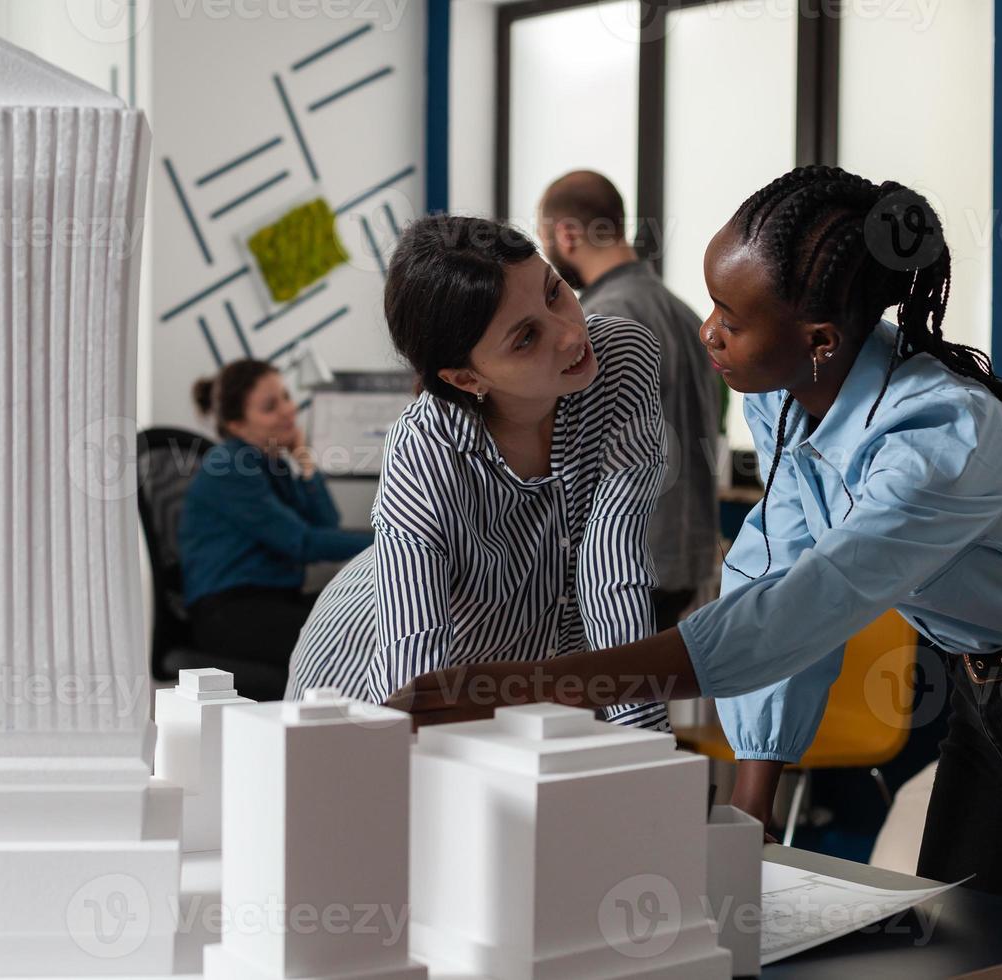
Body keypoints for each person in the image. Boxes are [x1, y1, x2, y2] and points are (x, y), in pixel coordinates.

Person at [388, 166, 1002, 938]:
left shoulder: (941, 440)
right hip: (987, 700)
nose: (707, 333)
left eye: (731, 317)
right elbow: (778, 564)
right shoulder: (785, 395)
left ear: (820, 339)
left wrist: (518, 686)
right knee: (965, 954)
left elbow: (804, 607)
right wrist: (750, 805)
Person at [286, 214, 670, 730]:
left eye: (554, 293)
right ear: (467, 377)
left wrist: (643, 743)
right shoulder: (426, 448)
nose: (569, 333)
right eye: (526, 338)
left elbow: (612, 566)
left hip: (522, 685)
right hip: (362, 671)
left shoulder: (621, 359)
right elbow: (413, 656)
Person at [538, 170, 721, 628]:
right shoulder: (684, 313)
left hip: (624, 563)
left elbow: (573, 454)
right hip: (684, 559)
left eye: (545, 240)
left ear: (566, 234)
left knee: (583, 698)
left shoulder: (599, 321)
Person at [178, 359, 372, 698]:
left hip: (272, 602)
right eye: (271, 407)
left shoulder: (273, 462)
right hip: (229, 612)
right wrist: (389, 540)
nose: (288, 410)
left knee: (359, 615)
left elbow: (326, 523)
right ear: (237, 425)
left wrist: (305, 460)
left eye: (285, 396)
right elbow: (302, 544)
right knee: (345, 638)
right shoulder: (229, 466)